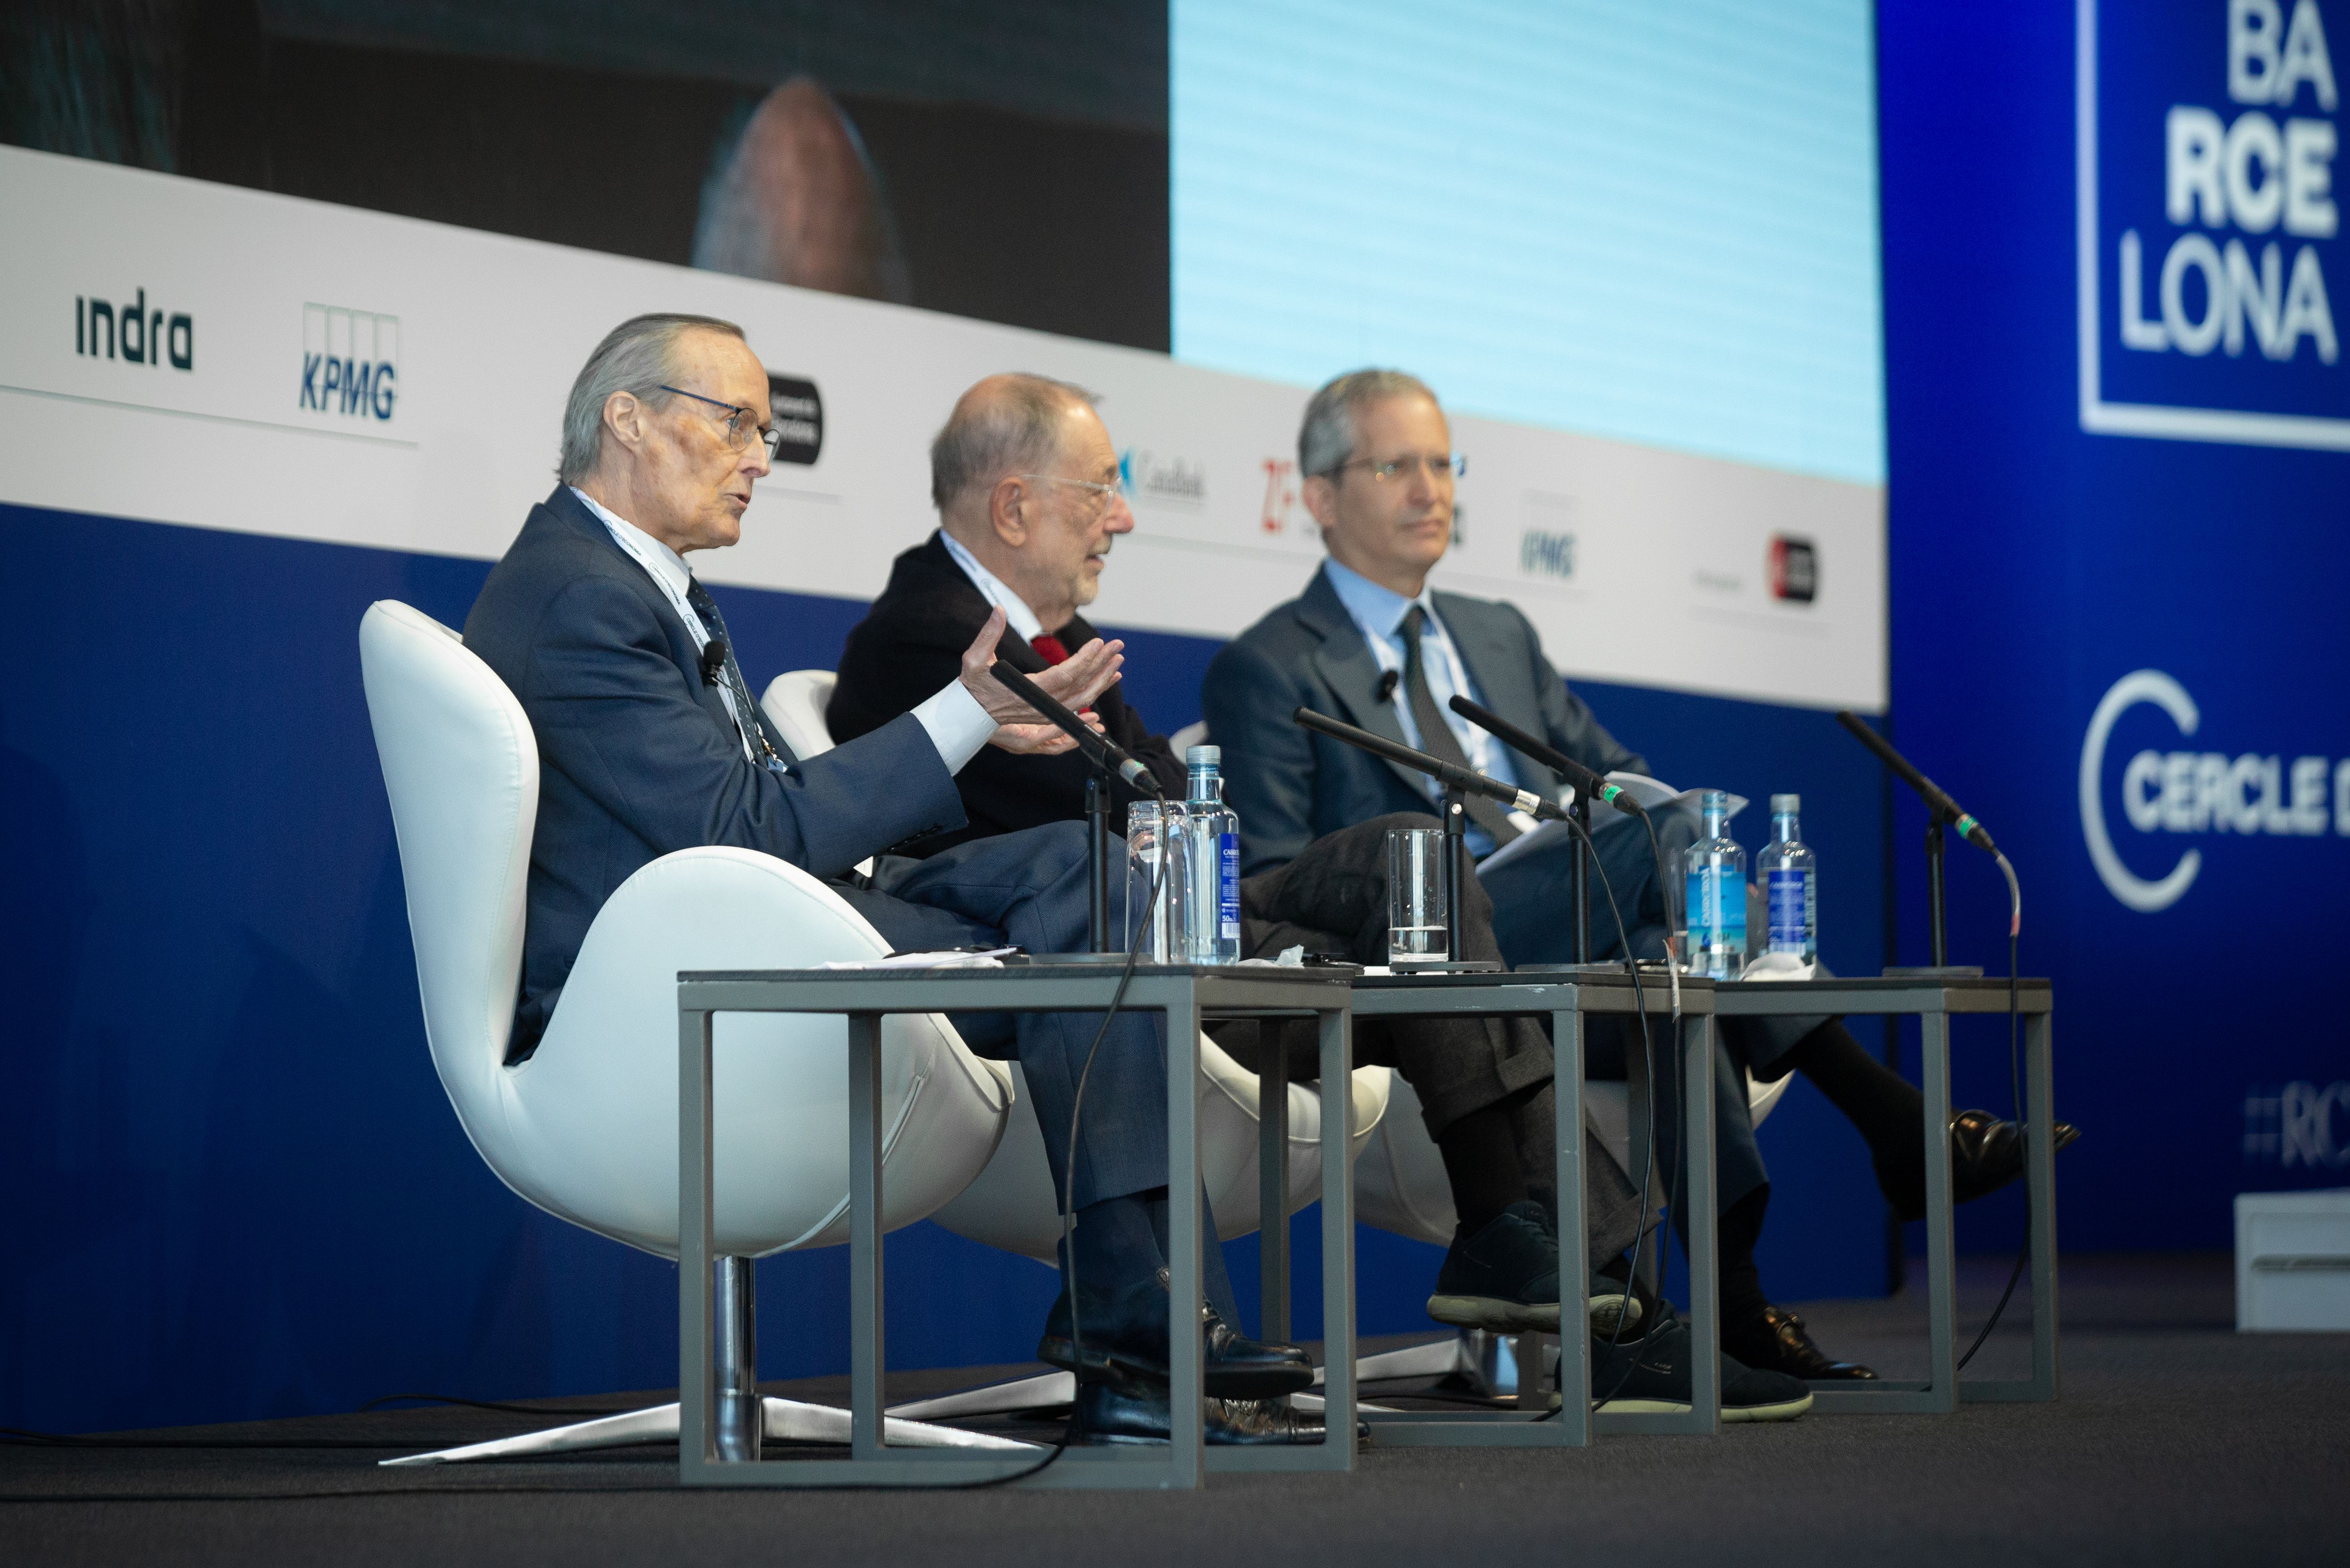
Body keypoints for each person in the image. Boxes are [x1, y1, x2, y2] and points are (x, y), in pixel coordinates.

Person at [827, 373, 1816, 1422]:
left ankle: (1529, 1250)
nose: (1121, 514)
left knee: (1412, 860)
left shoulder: (1052, 633)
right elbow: (1109, 819)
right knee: (1415, 889)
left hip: (1189, 920)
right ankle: (1589, 1296)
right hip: (1093, 971)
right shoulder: (930, 635)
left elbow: (1160, 796)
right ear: (1014, 505)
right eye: (1099, 490)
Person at [462, 314, 1323, 1448]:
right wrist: (966, 711)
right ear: (627, 418)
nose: (762, 457)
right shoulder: (580, 597)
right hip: (654, 996)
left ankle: (1148, 1318)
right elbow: (743, 827)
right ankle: (1141, 1325)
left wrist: (970, 730)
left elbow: (740, 824)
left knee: (1086, 870)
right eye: (738, 426)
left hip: (735, 926)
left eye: (766, 432)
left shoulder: (621, 579)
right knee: (1070, 930)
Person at [1202, 369, 2079, 1383]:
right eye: (1395, 464)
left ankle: (1732, 1304)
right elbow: (1270, 885)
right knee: (1661, 846)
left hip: (1572, 937)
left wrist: (1640, 855)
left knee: (1665, 951)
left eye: (1444, 463)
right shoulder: (1268, 665)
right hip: (1436, 967)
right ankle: (1893, 1120)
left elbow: (1616, 783)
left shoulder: (1496, 635)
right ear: (1316, 495)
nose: (1429, 488)